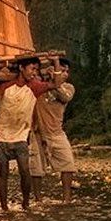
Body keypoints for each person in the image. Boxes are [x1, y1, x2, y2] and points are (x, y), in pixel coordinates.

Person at [0, 56, 62, 210]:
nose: (34, 72)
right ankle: (4, 207)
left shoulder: (34, 86)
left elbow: (56, 83)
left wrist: (56, 61)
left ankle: (26, 203)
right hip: (0, 135)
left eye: (36, 69)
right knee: (3, 173)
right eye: (32, 68)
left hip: (21, 136)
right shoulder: (6, 83)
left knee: (25, 171)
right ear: (21, 68)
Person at [30, 58, 76, 203]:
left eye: (66, 71)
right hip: (37, 132)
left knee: (68, 164)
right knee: (36, 168)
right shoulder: (40, 85)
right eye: (62, 70)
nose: (65, 74)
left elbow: (65, 97)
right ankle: (38, 200)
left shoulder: (68, 88)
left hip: (56, 132)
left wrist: (55, 79)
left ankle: (66, 199)